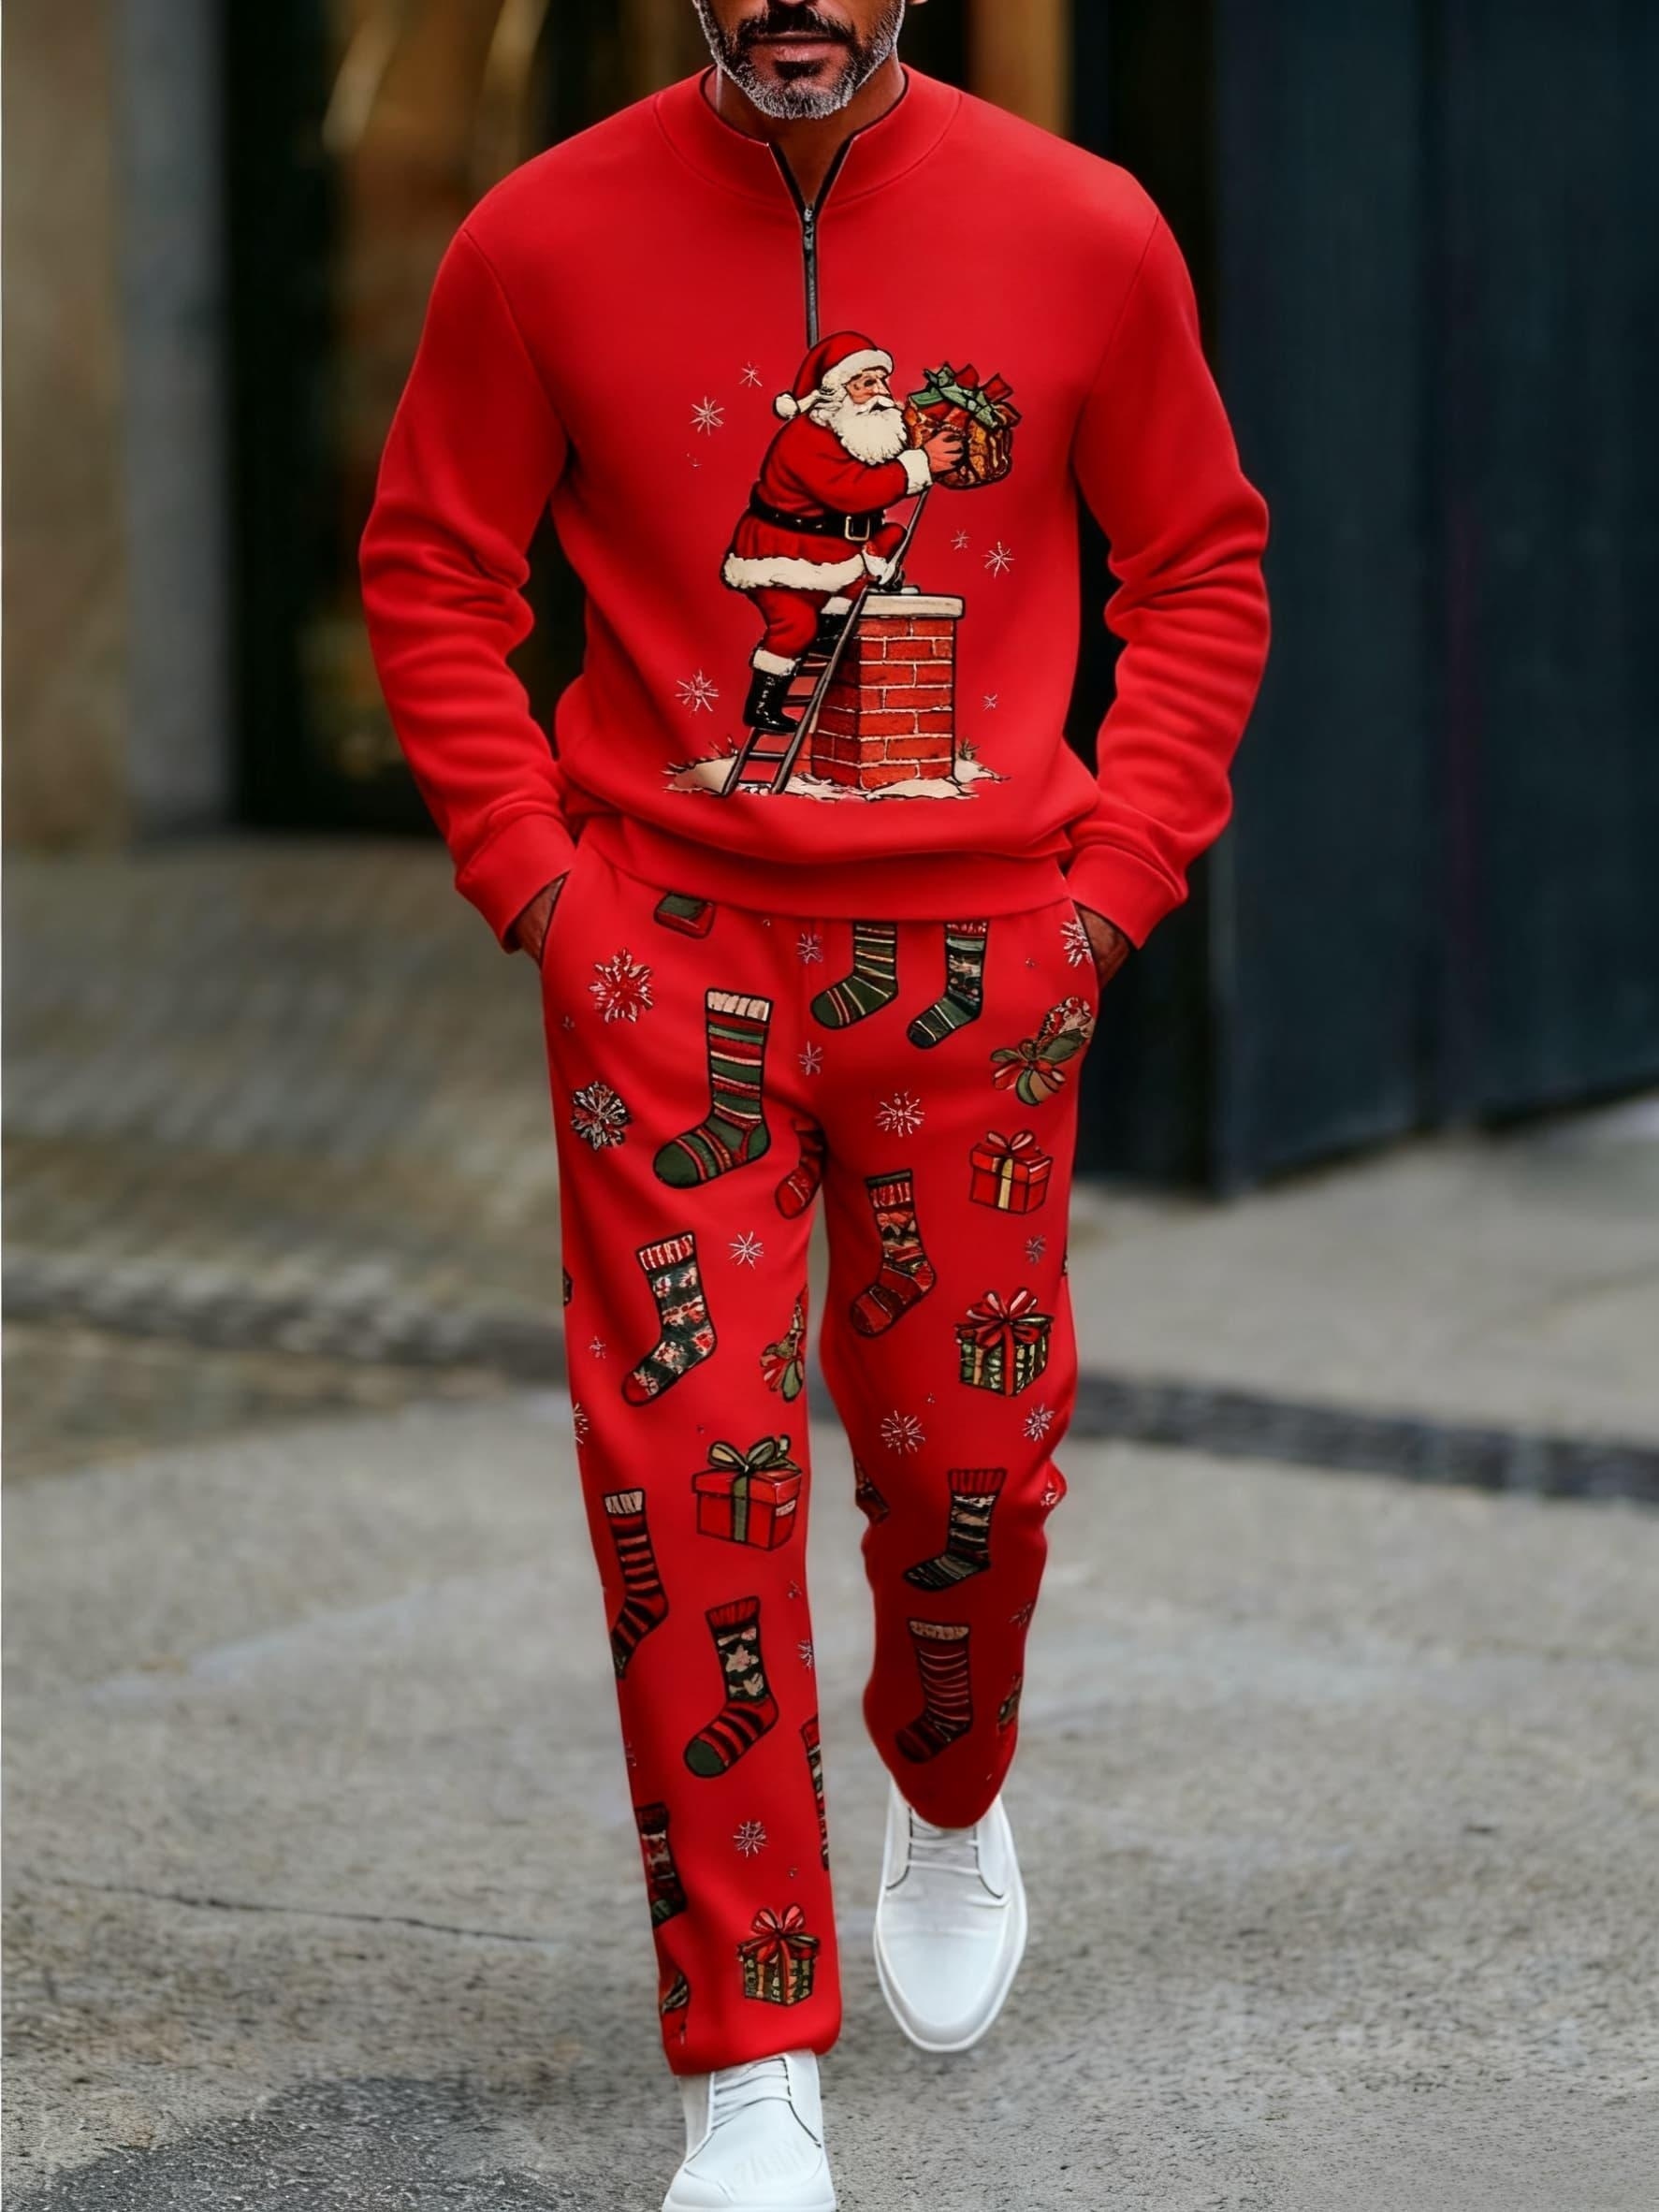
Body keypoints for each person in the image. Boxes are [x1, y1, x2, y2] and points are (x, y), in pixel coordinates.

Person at [361, 3, 1269, 2204]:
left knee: (971, 1476)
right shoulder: (533, 240)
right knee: (691, 1485)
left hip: (979, 967)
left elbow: (1196, 567)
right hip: (662, 958)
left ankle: (947, 1787)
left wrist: (1106, 896)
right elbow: (434, 571)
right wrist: (539, 889)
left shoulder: (1084, 230)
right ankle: (749, 2052)